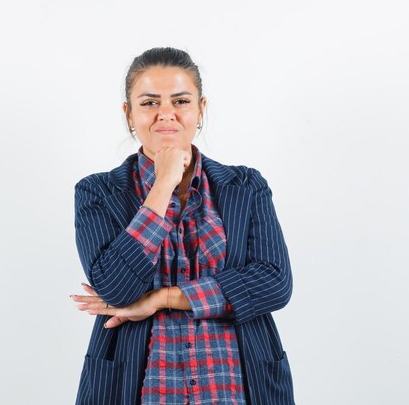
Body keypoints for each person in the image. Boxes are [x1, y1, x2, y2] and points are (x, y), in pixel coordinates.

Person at [70, 47, 295, 405]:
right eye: (149, 103)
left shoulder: (246, 186)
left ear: (200, 110)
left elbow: (274, 283)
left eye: (181, 101)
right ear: (128, 114)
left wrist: (162, 298)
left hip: (237, 386)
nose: (166, 114)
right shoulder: (97, 192)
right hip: (137, 388)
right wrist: (162, 186)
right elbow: (115, 288)